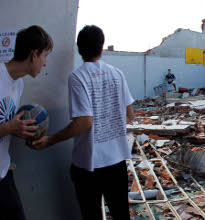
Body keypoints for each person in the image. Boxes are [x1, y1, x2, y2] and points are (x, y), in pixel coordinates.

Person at [31, 25, 134, 220]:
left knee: (91, 215)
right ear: (101, 48)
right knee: (121, 214)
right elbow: (130, 114)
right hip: (117, 161)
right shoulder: (117, 74)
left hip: (89, 165)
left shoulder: (78, 77)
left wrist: (51, 140)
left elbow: (85, 122)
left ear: (79, 49)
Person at [0, 25, 53, 220]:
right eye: (45, 56)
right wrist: (7, 128)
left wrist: (20, 130)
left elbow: (6, 123)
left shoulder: (18, 84)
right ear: (34, 55)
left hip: (3, 172)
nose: (45, 64)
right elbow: (4, 126)